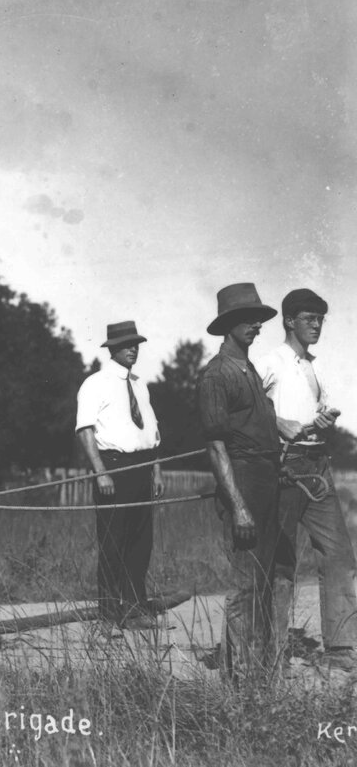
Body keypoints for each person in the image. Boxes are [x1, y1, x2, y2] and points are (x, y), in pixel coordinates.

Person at [254, 289, 357, 670]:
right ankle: (274, 653)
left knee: (339, 555)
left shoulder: (315, 366)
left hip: (318, 466)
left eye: (320, 319)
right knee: (282, 562)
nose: (316, 325)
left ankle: (341, 650)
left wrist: (325, 422)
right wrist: (278, 422)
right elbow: (246, 406)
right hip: (284, 468)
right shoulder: (269, 363)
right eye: (309, 318)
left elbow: (317, 411)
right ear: (289, 321)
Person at [197, 282, 281, 678]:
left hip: (267, 481)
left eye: (259, 320)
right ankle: (241, 681)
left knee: (264, 582)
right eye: (247, 319)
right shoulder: (216, 375)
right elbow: (216, 447)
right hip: (243, 483)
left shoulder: (250, 370)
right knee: (245, 585)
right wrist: (239, 506)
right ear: (228, 324)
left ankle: (256, 670)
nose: (256, 325)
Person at [76, 321, 164, 630]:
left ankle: (135, 609)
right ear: (112, 349)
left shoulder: (140, 384)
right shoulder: (95, 383)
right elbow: (85, 430)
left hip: (142, 466)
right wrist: (101, 472)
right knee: (112, 543)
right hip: (113, 468)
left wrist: (155, 470)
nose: (133, 349)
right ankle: (109, 617)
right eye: (127, 344)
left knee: (141, 543)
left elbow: (150, 432)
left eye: (136, 343)